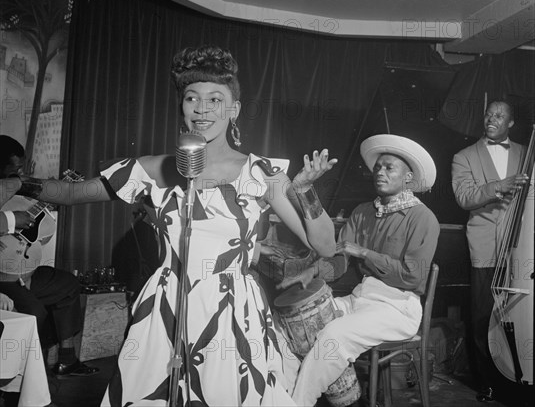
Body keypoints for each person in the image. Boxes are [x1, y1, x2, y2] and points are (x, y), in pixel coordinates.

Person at [11, 45, 338, 406]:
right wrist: (15, 184)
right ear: (181, 106)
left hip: (231, 309)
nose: (202, 108)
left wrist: (305, 191)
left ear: (235, 110)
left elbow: (324, 245)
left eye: (216, 99)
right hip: (165, 305)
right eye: (191, 98)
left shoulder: (261, 173)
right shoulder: (153, 169)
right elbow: (73, 193)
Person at [289, 134, 440, 406]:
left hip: (398, 308)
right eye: (378, 167)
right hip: (361, 299)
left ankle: (297, 404)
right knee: (300, 327)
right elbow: (339, 260)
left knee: (334, 335)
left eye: (389, 167)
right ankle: (278, 396)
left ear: (408, 178)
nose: (380, 172)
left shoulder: (423, 218)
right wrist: (312, 272)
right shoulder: (362, 212)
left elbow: (412, 276)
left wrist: (364, 252)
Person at [0, 135, 99, 378]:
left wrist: (39, 217)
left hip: (26, 273)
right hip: (4, 279)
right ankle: (18, 377)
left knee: (67, 285)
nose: (19, 172)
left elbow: (41, 235)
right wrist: (11, 221)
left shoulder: (17, 187)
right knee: (35, 313)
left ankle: (67, 360)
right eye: (15, 167)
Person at [452, 100, 529, 403]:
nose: (491, 119)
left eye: (499, 116)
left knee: (520, 313)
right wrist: (501, 185)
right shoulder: (464, 156)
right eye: (488, 114)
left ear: (510, 122)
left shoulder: (526, 153)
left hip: (521, 246)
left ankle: (518, 376)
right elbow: (464, 196)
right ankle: (487, 381)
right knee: (484, 316)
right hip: (484, 245)